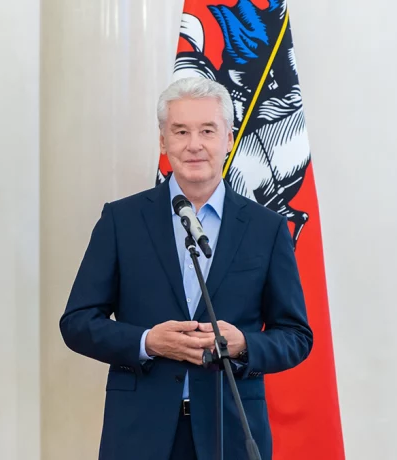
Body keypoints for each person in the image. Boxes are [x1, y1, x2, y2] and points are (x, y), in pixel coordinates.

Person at [59, 77, 313, 460]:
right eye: (180, 131)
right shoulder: (121, 220)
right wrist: (147, 341)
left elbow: (296, 336)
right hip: (139, 433)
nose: (194, 144)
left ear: (228, 139)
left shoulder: (267, 228)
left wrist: (243, 345)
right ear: (163, 142)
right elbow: (77, 322)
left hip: (230, 431)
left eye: (207, 131)